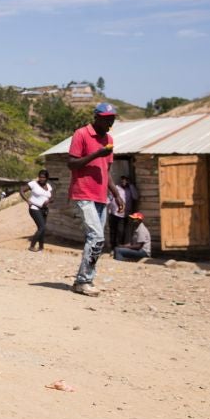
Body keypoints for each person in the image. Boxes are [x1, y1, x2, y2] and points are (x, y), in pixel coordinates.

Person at [67, 102, 124, 297]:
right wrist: (97, 153)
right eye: (107, 119)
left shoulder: (108, 138)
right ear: (97, 117)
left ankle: (83, 280)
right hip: (83, 193)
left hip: (101, 196)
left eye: (113, 119)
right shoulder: (81, 134)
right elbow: (72, 164)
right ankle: (84, 281)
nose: (110, 122)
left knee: (96, 239)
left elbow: (106, 171)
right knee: (96, 237)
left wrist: (116, 194)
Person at [20, 169, 53, 252]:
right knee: (42, 227)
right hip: (34, 208)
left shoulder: (49, 186)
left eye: (43, 177)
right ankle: (32, 246)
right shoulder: (33, 184)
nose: (41, 179)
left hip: (44, 209)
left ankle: (41, 247)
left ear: (47, 178)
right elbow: (21, 190)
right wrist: (27, 201)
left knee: (42, 228)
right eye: (40, 177)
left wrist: (49, 201)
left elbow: (51, 197)